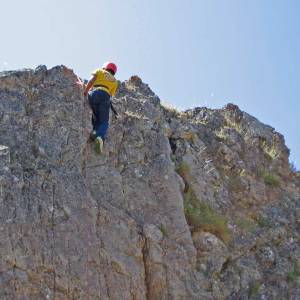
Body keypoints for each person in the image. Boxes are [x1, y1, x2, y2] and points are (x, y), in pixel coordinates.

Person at [83, 62, 119, 153]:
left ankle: (95, 132)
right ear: (114, 72)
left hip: (95, 92)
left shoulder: (100, 71)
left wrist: (86, 91)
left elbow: (92, 80)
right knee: (103, 121)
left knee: (95, 115)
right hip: (106, 97)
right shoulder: (115, 81)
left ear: (105, 67)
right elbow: (111, 94)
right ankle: (98, 135)